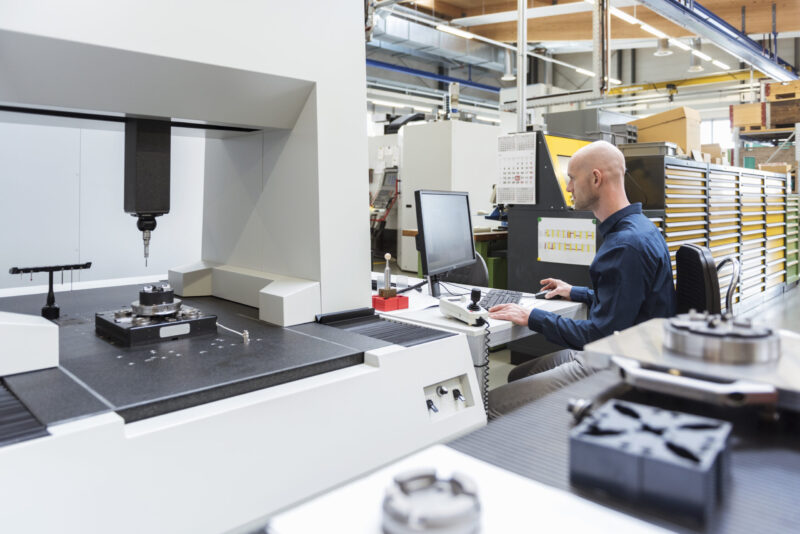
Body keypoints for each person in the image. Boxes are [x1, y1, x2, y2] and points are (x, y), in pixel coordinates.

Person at [487, 140, 676, 417]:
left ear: (596, 179)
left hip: (620, 363)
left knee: (490, 406)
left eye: (572, 178)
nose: (568, 188)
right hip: (633, 347)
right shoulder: (640, 227)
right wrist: (575, 291)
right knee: (519, 374)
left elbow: (599, 336)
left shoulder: (624, 245)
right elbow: (629, 299)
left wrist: (534, 317)